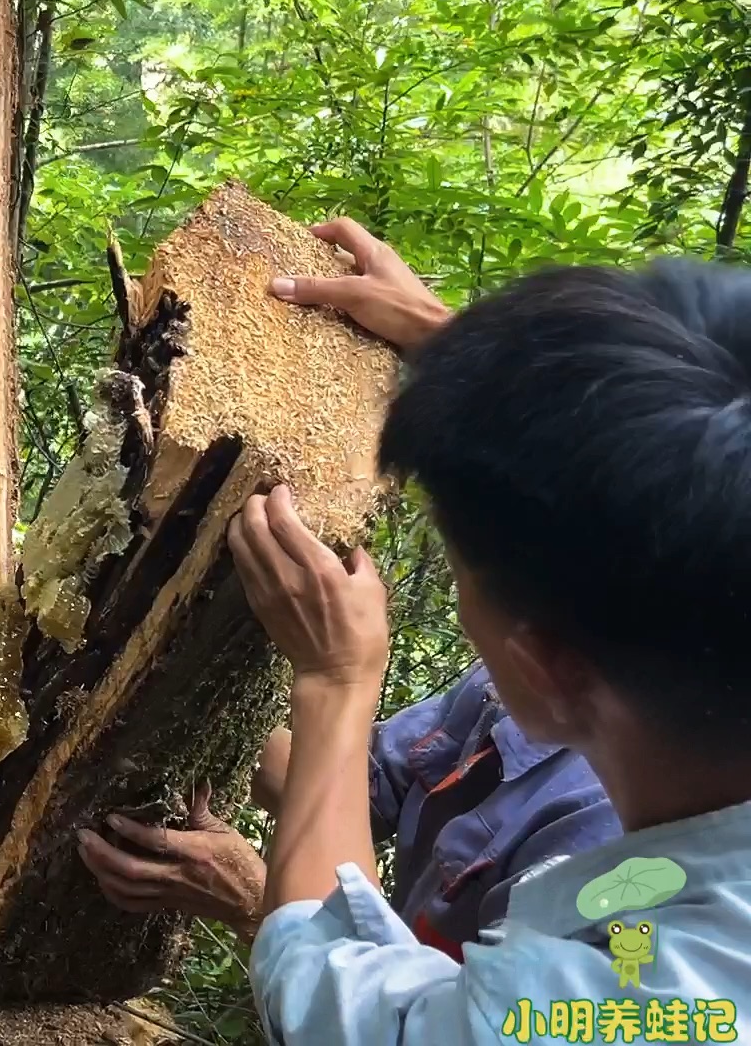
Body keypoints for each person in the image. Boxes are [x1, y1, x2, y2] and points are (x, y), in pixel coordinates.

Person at [101, 220, 751, 1043]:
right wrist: (485, 370)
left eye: (460, 572)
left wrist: (336, 682)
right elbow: (367, 783)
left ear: (551, 674)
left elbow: (351, 999)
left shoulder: (646, 996)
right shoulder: (659, 652)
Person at [75, 224, 622, 960]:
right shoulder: (573, 667)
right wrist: (136, 689)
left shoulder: (628, 876)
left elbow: (389, 1019)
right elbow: (362, 783)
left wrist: (257, 897)